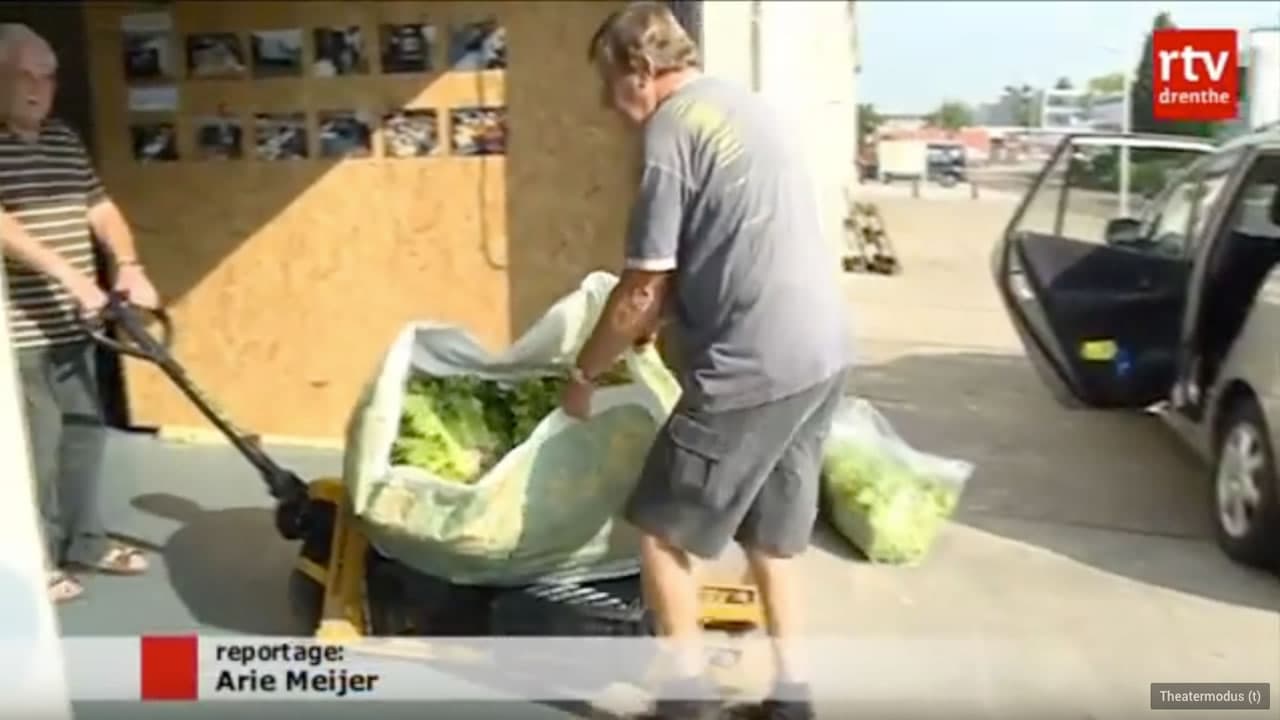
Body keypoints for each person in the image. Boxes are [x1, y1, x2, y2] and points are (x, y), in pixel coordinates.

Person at [562, 4, 853, 719]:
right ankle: (793, 699)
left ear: (640, 69)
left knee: (661, 532)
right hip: (822, 354)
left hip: (752, 364)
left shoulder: (674, 129)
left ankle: (683, 698)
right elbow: (722, 246)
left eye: (609, 83)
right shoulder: (743, 107)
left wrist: (583, 373)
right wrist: (654, 322)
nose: (608, 104)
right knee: (771, 539)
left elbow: (642, 285)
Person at [0, 24, 160, 604]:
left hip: (76, 323)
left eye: (48, 76)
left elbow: (100, 206)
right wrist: (71, 275)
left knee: (85, 437)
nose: (40, 88)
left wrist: (129, 264)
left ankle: (84, 542)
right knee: (35, 450)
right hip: (17, 332)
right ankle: (33, 561)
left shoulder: (63, 138)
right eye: (26, 75)